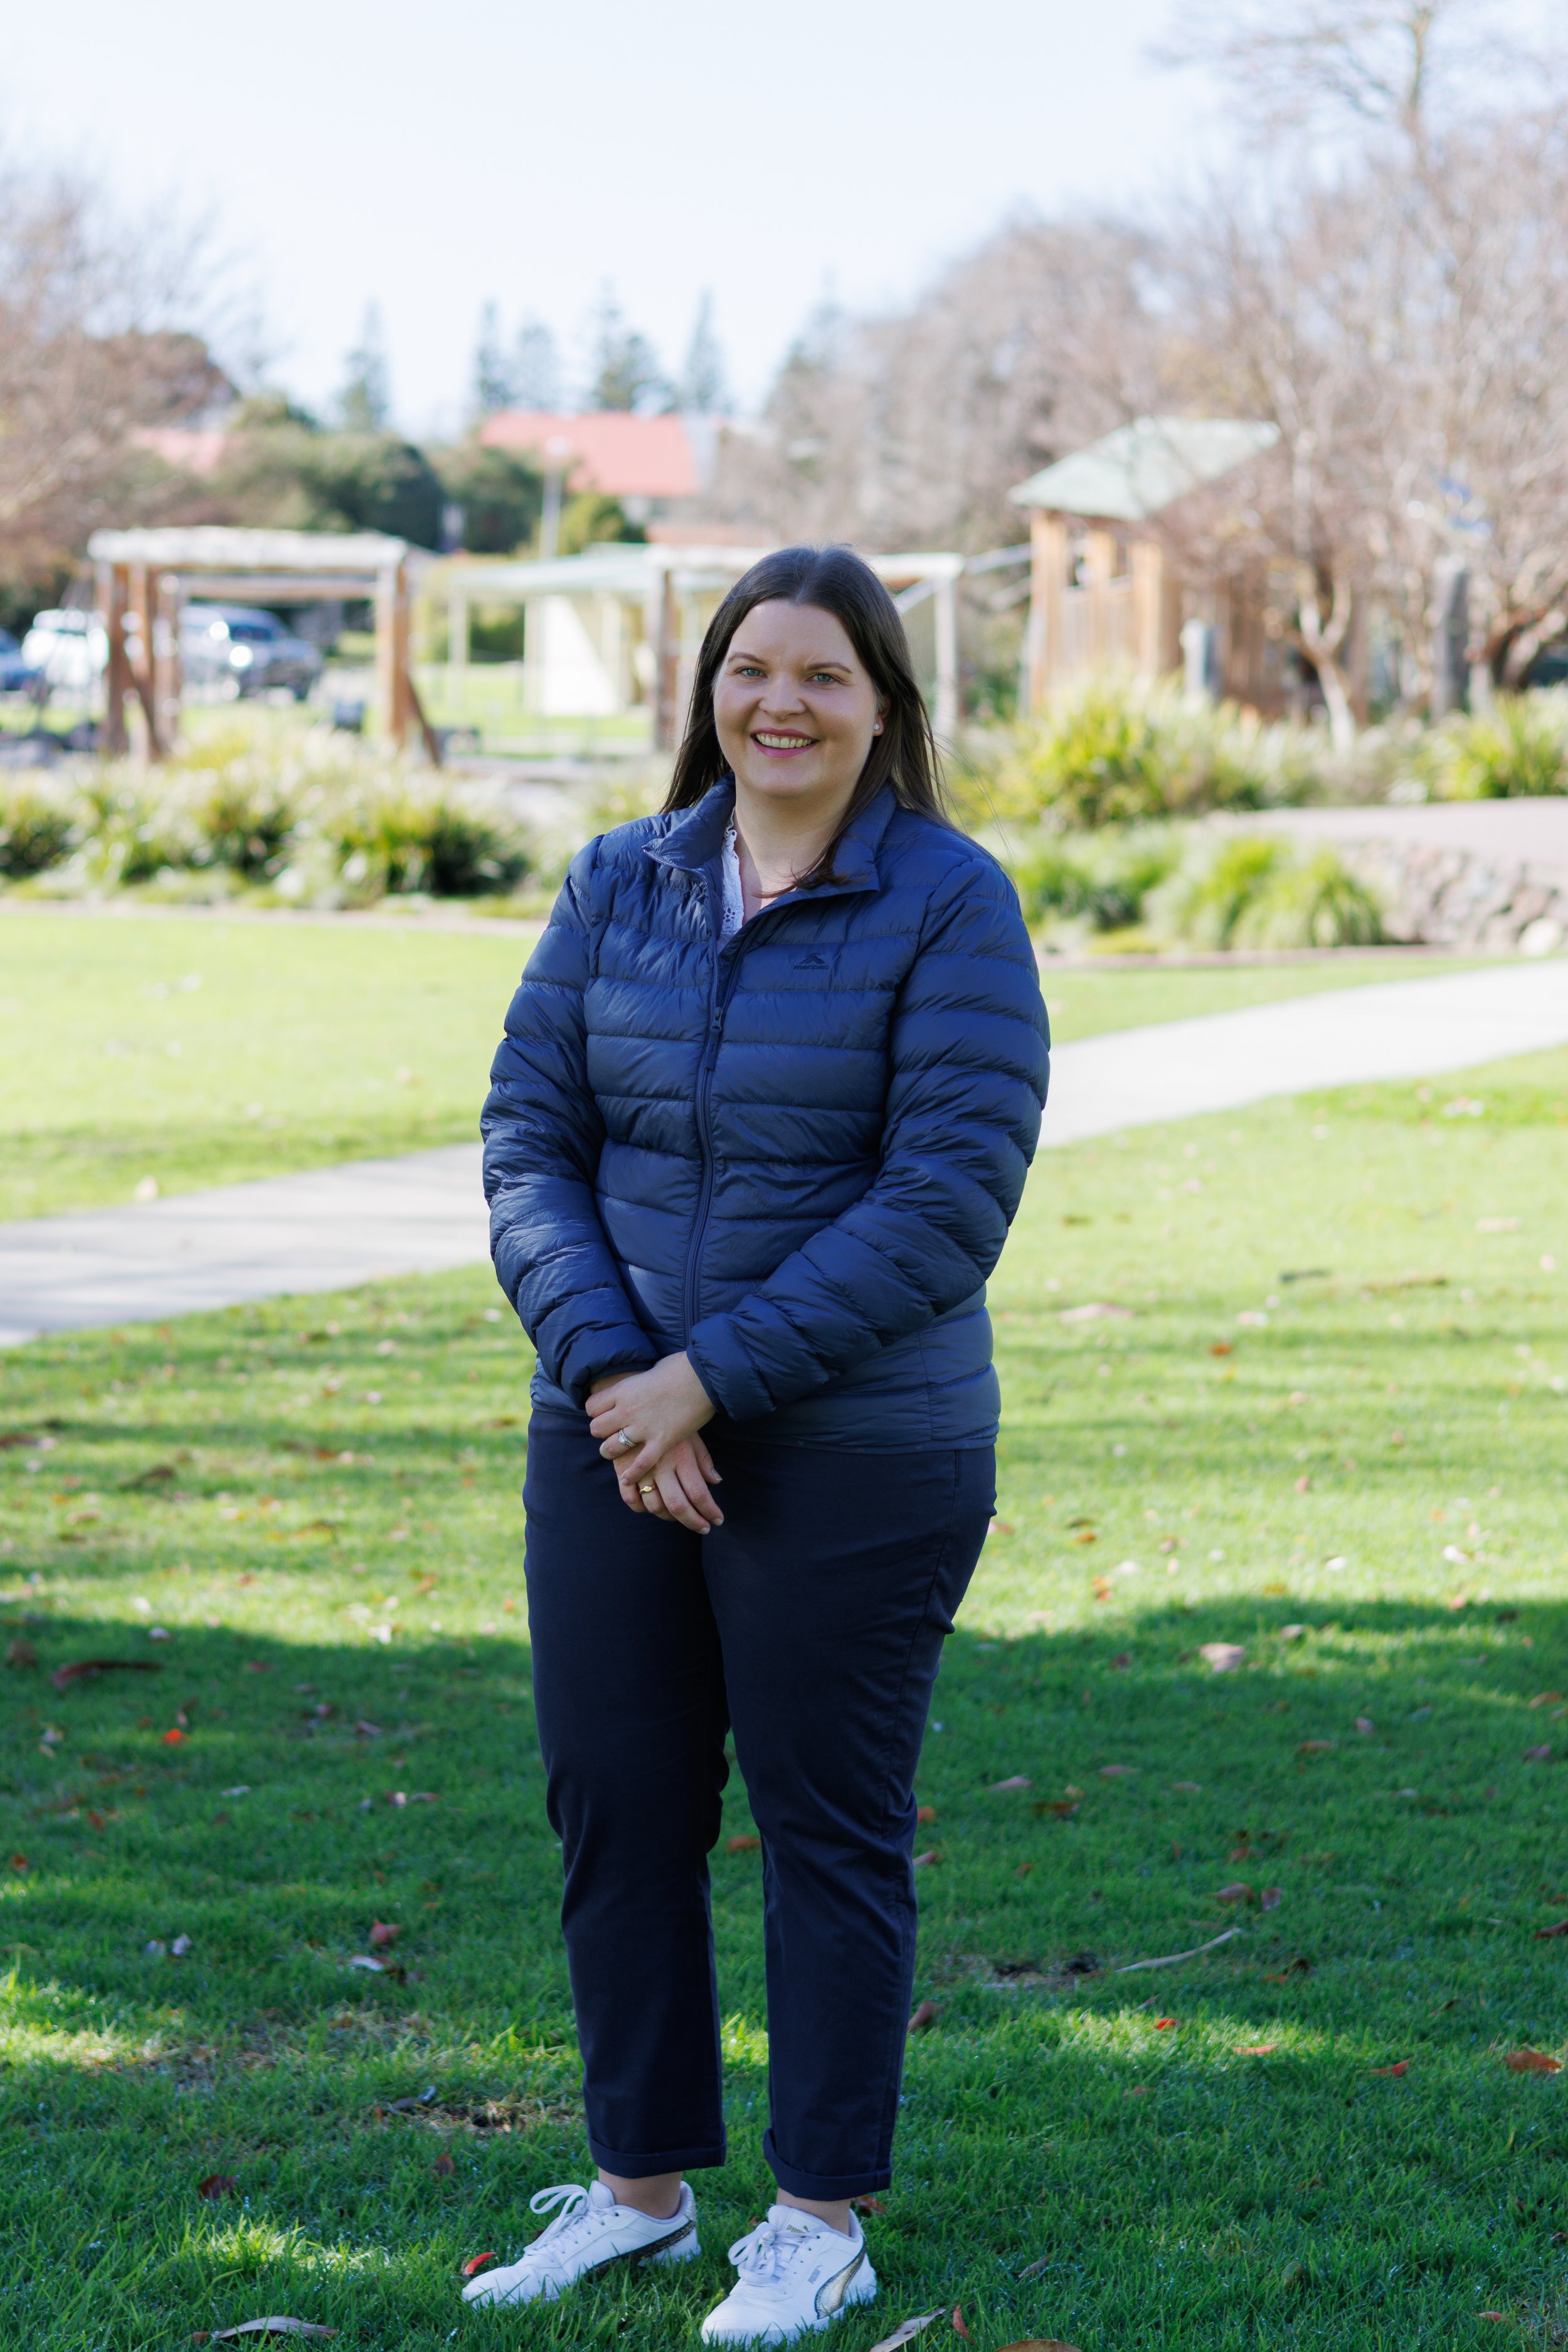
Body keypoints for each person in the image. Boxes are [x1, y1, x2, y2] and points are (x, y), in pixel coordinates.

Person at [467, 544, 1049, 2343]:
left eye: (820, 675)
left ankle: (817, 2218)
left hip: (856, 1450)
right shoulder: (616, 884)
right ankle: (638, 2190)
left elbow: (949, 1196)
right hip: (614, 1430)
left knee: (826, 1827)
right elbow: (525, 1143)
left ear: (884, 703)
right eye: (747, 668)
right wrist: (613, 1378)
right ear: (708, 689)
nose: (777, 703)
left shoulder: (950, 904)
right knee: (616, 1807)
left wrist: (705, 1380)